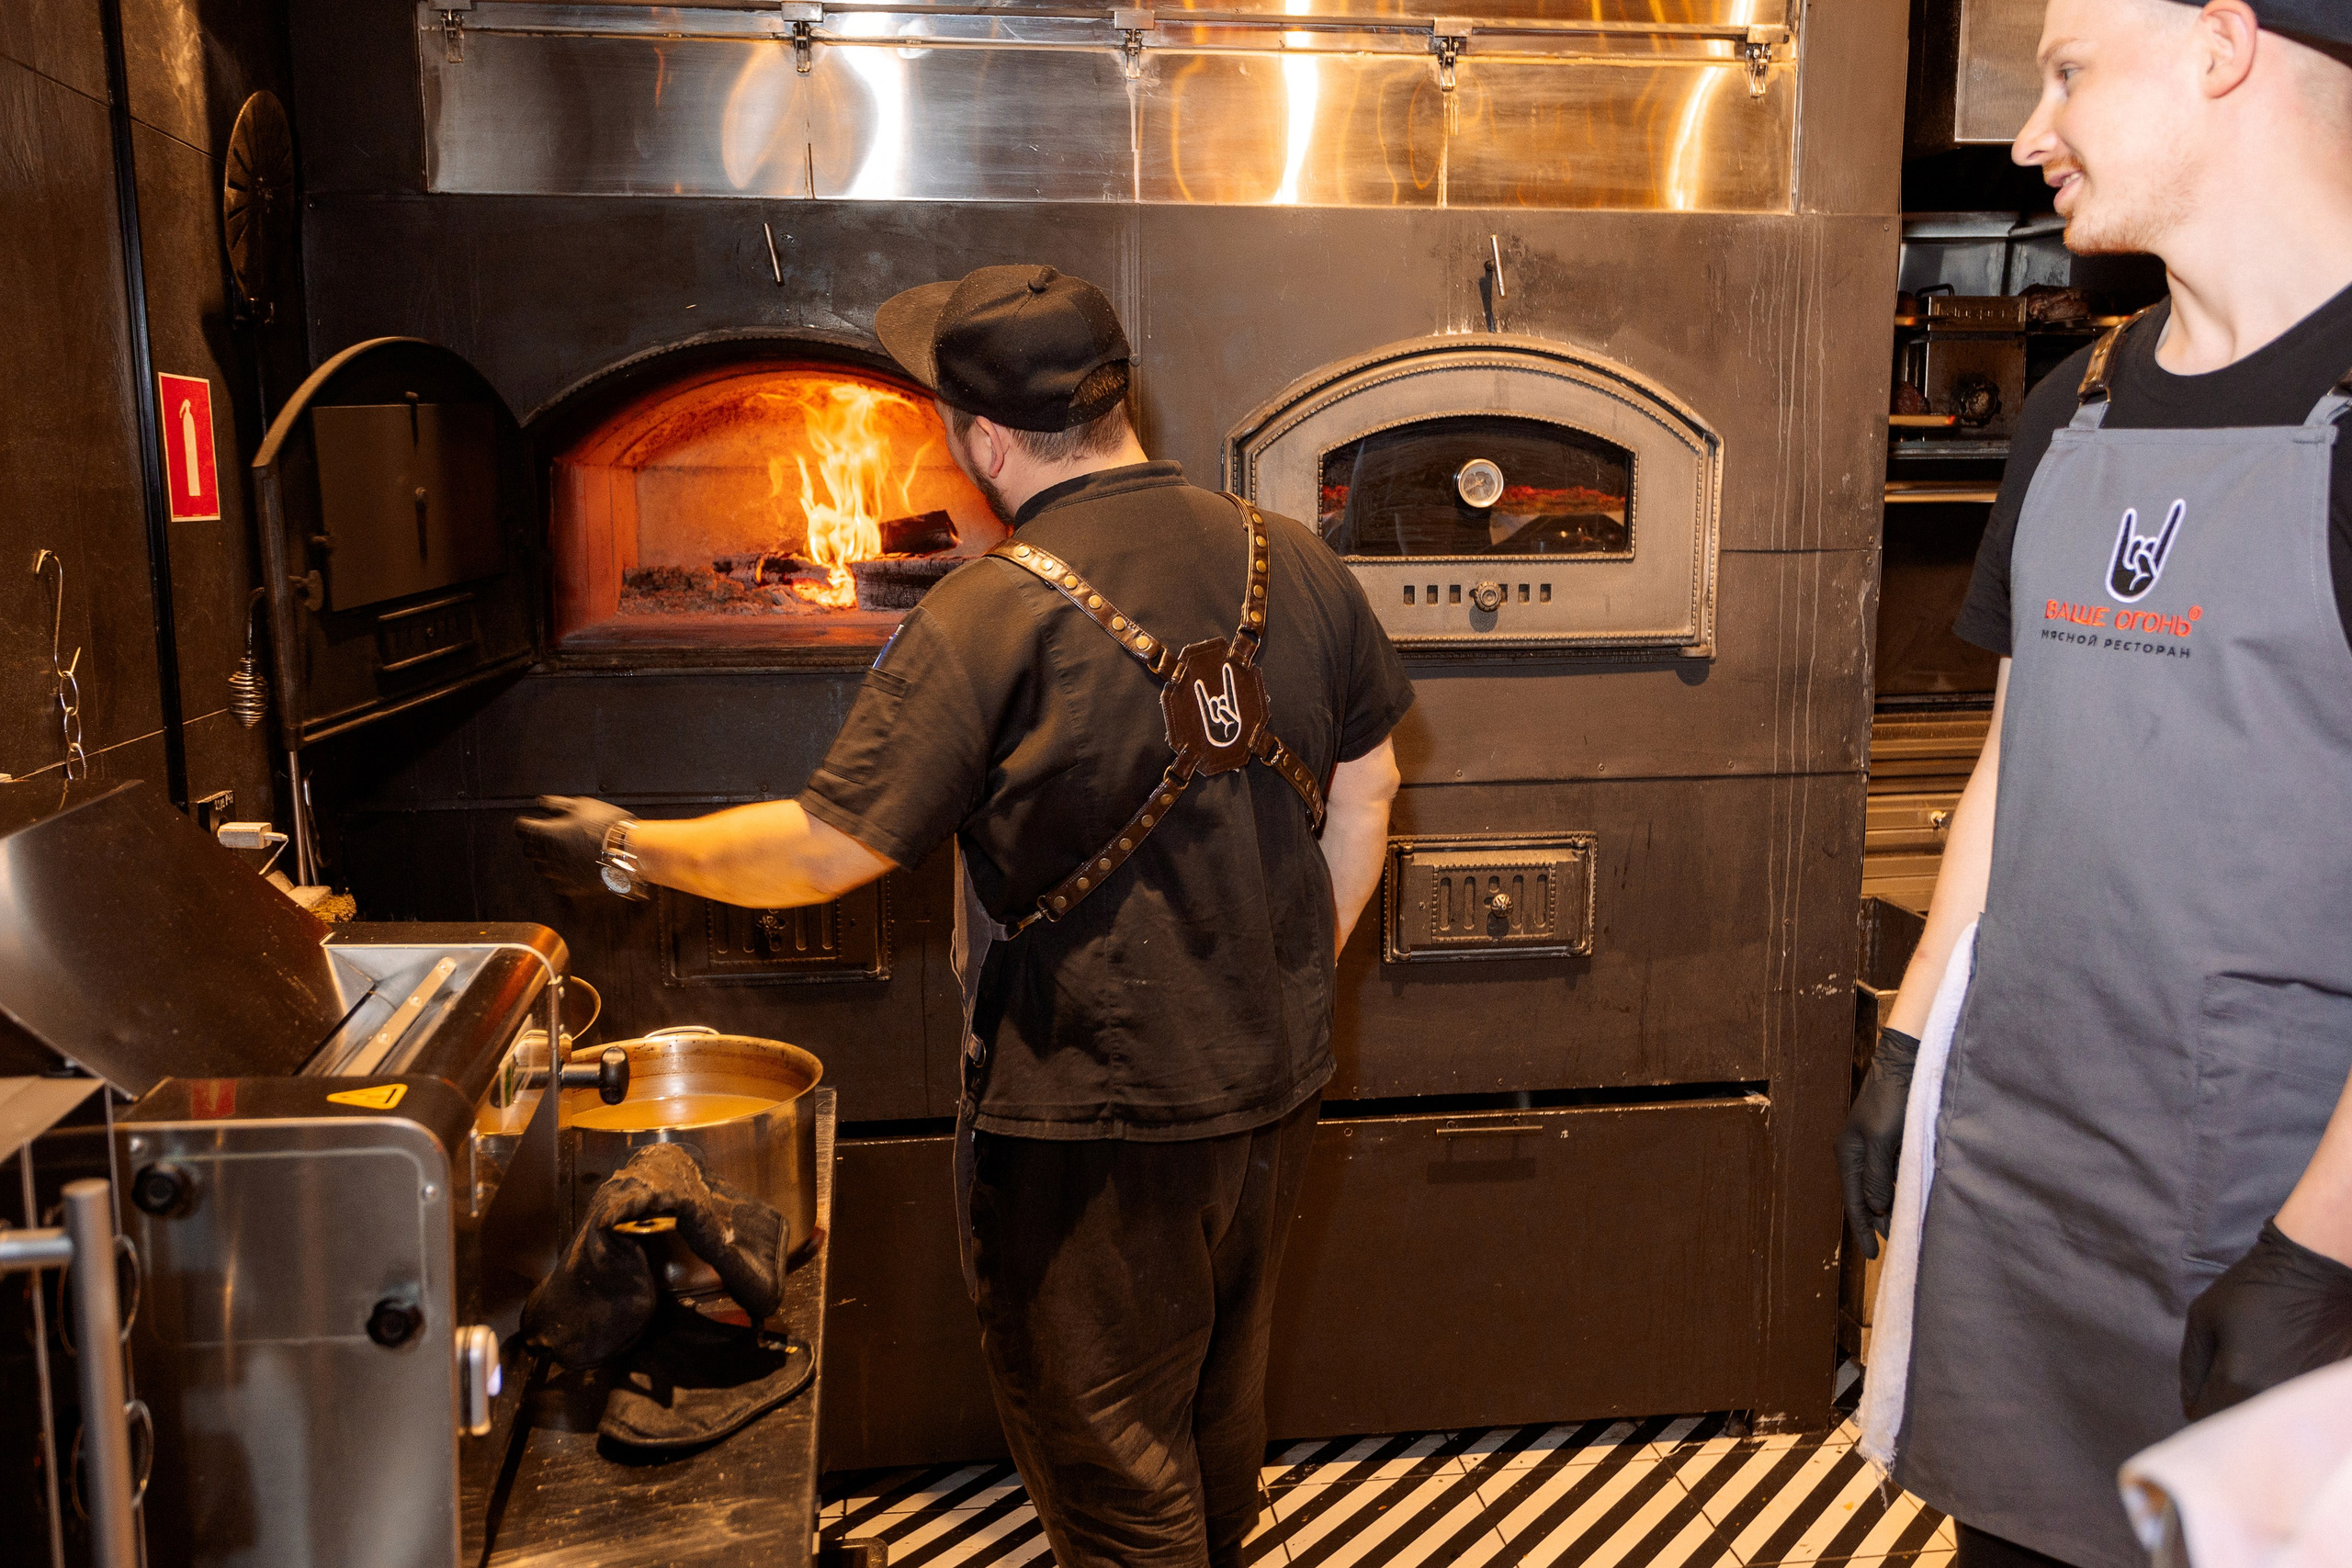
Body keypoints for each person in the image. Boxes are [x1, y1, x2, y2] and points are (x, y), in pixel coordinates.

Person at [517, 264, 1415, 1567]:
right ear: (1117, 401)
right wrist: (1279, 988)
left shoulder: (991, 612)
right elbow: (1369, 789)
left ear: (983, 437)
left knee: (1112, 1471)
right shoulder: (1296, 558)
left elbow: (826, 849)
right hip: (1270, 1094)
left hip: (1082, 1128)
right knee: (1218, 1416)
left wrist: (626, 844)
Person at [1836, 5, 2352, 1567]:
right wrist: (1912, 1035)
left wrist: (2320, 1260)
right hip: (2028, 1178)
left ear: (2220, 47)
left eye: (2065, 74)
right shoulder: (2082, 408)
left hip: (2269, 1202)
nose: (2028, 132)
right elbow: (2022, 739)